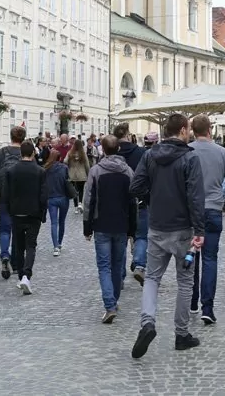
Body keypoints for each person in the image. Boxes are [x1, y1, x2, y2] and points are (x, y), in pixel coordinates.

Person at [129, 113, 205, 359]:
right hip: (183, 228)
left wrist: (153, 196)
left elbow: (135, 187)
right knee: (185, 282)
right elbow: (195, 197)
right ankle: (181, 334)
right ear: (183, 130)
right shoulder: (190, 158)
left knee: (152, 278)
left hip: (157, 226)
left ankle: (147, 323)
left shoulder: (150, 155)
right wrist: (200, 230)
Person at [188, 114, 225, 325]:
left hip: (191, 211)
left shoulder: (187, 151)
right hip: (214, 209)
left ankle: (192, 302)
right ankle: (208, 308)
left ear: (192, 130)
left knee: (191, 257)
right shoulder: (223, 152)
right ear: (210, 129)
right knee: (210, 258)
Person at [83, 136, 137, 323]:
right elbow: (133, 202)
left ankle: (109, 304)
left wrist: (87, 226)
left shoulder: (96, 171)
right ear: (119, 149)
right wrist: (133, 229)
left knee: (104, 266)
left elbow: (88, 201)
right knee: (117, 264)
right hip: (121, 224)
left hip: (102, 223)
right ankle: (113, 300)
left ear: (103, 150)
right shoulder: (128, 171)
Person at [6, 141, 47, 295]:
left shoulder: (11, 170)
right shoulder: (40, 171)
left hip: (16, 213)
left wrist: (10, 209)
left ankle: (22, 275)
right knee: (31, 246)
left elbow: (7, 193)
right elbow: (44, 195)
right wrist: (43, 213)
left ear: (21, 153)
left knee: (19, 246)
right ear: (33, 153)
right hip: (33, 213)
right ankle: (26, 275)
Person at [114, 123, 148, 283]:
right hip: (139, 200)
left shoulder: (110, 153)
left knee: (120, 238)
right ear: (129, 136)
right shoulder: (141, 152)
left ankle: (120, 275)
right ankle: (140, 265)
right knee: (141, 236)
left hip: (117, 203)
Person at [0, 126, 26, 280]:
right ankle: (16, 263)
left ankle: (5, 254)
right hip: (21, 197)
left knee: (5, 229)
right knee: (18, 229)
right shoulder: (26, 152)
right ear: (23, 138)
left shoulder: (2, 152)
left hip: (4, 195)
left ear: (11, 136)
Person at [44, 150, 76, 255]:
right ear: (59, 158)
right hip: (63, 197)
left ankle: (55, 246)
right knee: (62, 221)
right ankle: (60, 242)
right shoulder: (64, 168)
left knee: (54, 222)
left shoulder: (46, 169)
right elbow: (68, 181)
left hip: (51, 198)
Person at [66, 139, 90, 214]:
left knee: (74, 190)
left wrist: (70, 165)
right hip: (81, 174)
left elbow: (65, 161)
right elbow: (87, 165)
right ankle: (80, 203)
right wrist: (88, 173)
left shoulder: (70, 152)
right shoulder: (83, 153)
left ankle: (76, 207)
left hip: (72, 174)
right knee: (81, 189)